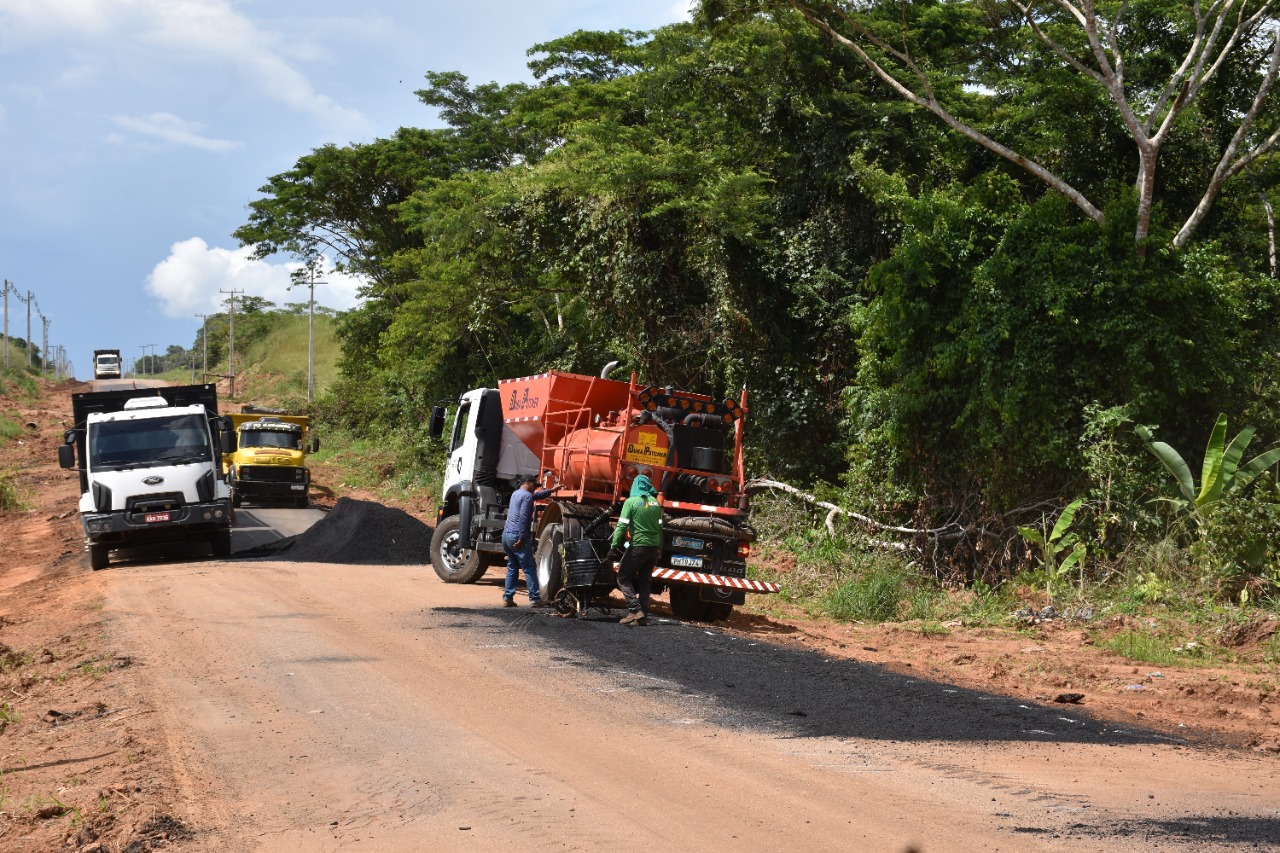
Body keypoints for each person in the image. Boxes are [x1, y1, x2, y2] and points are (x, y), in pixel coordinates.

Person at [606, 474, 663, 625]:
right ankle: (642, 615)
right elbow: (660, 527)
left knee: (623, 576)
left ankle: (634, 609)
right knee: (645, 581)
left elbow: (621, 526)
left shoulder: (631, 502)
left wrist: (613, 547)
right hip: (653, 548)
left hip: (638, 546)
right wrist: (659, 547)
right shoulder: (656, 504)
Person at [502, 474, 558, 607]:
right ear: (527, 482)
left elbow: (536, 496)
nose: (536, 489)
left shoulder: (516, 494)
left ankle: (507, 598)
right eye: (535, 485)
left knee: (512, 566)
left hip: (506, 536)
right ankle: (534, 599)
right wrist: (522, 537)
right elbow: (524, 517)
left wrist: (552, 490)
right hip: (517, 536)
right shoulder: (527, 496)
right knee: (530, 567)